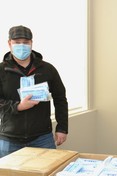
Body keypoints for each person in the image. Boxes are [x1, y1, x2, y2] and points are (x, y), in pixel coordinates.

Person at [0, 25, 68, 157]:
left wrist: (62, 128)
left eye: (25, 42)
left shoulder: (47, 69)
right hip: (9, 139)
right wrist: (18, 106)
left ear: (31, 43)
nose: (22, 46)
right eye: (17, 42)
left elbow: (60, 99)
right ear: (9, 44)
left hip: (42, 138)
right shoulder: (2, 70)